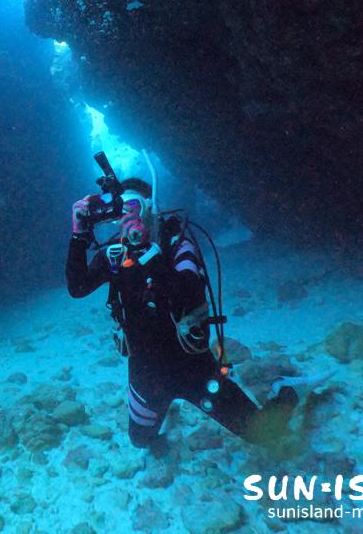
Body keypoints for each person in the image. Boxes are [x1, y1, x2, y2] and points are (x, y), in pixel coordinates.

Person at [67, 165, 328, 448]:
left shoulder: (178, 246)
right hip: (145, 371)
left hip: (192, 366)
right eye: (122, 211)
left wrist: (150, 257)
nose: (129, 219)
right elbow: (78, 287)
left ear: (151, 209)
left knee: (263, 433)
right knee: (140, 441)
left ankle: (287, 391)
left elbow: (189, 291)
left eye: (135, 207)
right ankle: (163, 407)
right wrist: (79, 236)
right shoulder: (114, 254)